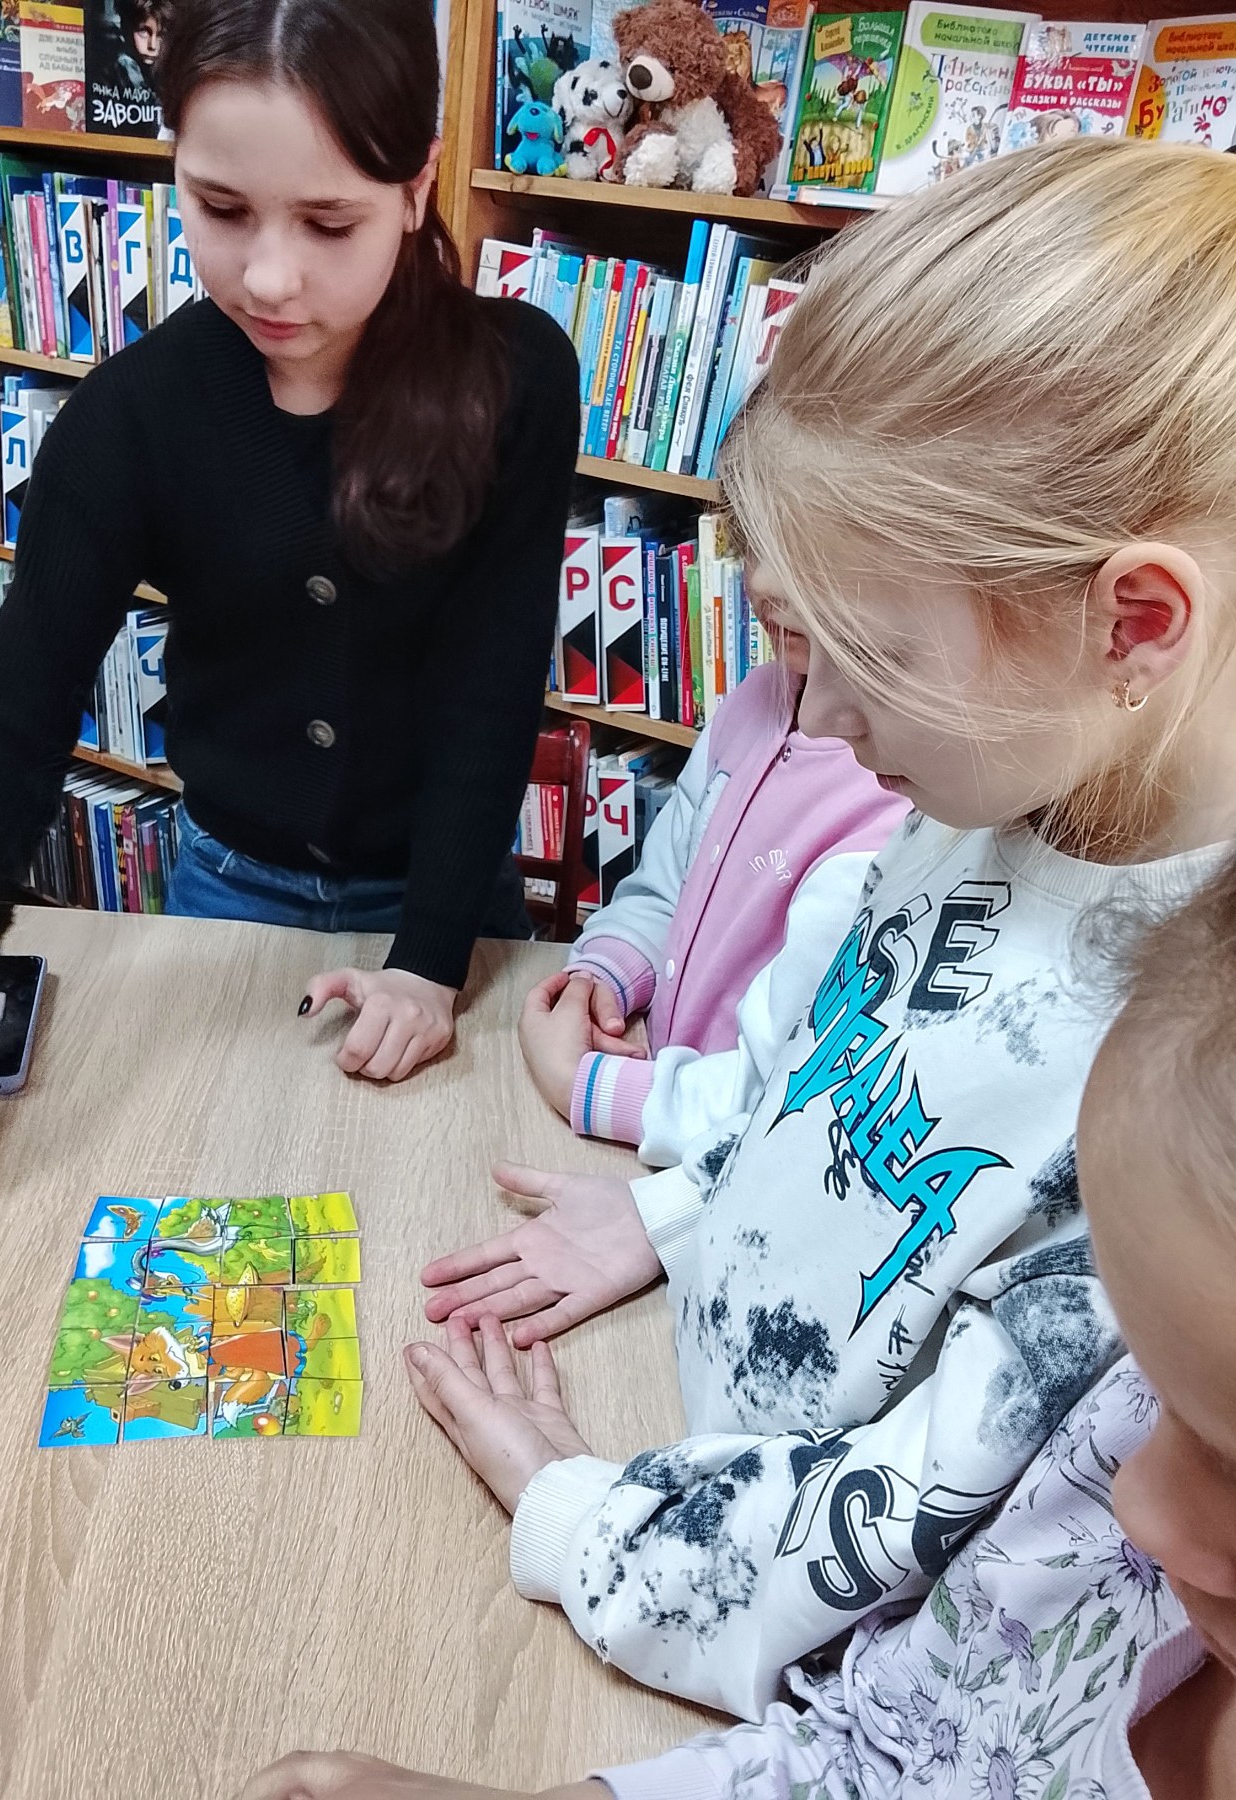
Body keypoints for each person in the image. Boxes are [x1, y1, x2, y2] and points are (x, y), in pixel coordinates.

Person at [408, 137, 1236, 1717]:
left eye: (868, 653)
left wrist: (577, 1509)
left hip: (739, 1647)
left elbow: (926, 1521)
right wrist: (671, 1216)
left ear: (1131, 623)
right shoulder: (993, 776)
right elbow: (821, 1071)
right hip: (670, 1444)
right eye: (796, 645)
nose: (817, 720)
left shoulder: (1184, 1074)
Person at [237, 847, 1236, 1796]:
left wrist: (598, 1524)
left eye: (1230, 1463)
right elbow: (888, 1742)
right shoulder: (1116, 1480)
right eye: (1160, 1406)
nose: (1140, 1504)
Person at [0, 0, 581, 1196]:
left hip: (446, 900)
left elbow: (493, 677)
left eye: (328, 222)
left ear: (417, 185)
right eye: (219, 208)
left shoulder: (514, 376)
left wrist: (426, 961)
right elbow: (20, 693)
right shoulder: (134, 416)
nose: (268, 276)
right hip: (229, 888)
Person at [513, 657, 907, 1149]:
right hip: (651, 1098)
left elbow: (793, 1086)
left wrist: (588, 1086)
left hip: (714, 1153)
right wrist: (601, 978)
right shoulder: (755, 696)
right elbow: (666, 889)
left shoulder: (901, 797)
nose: (766, 601)